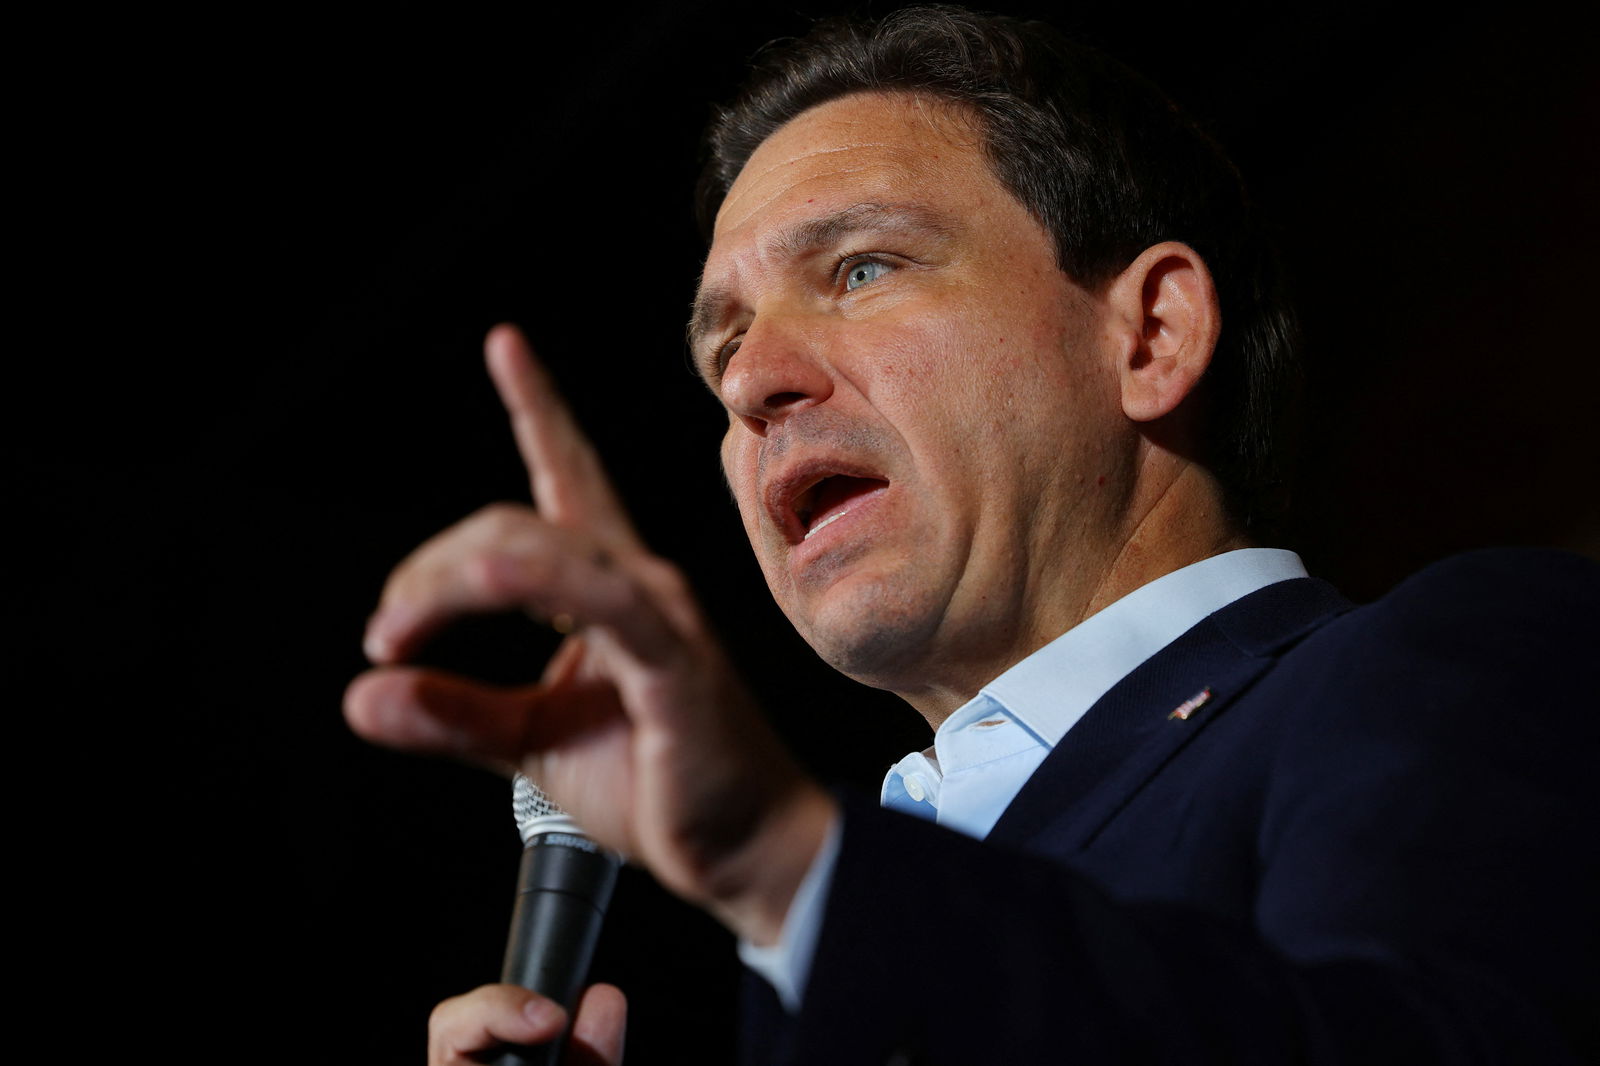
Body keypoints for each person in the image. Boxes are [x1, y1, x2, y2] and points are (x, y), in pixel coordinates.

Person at [344, 7, 1598, 1064]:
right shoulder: (807, 976)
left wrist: (793, 862)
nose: (753, 381)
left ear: (1150, 335)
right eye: (721, 345)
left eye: (864, 269)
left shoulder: (1456, 659)